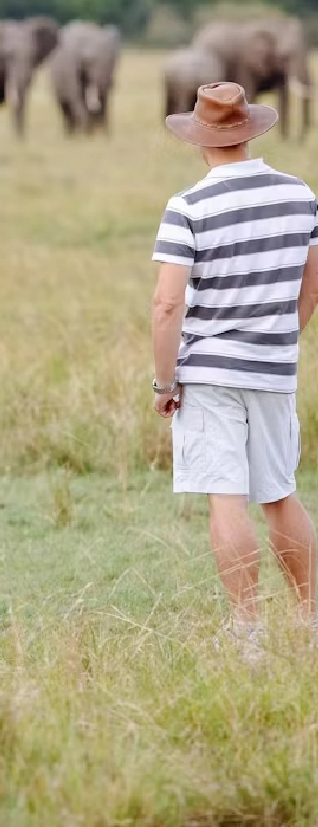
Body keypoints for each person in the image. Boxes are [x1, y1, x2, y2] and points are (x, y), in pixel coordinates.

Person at [152, 82, 318, 656]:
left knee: (226, 496)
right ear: (250, 132)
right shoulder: (301, 195)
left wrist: (165, 380)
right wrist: (277, 340)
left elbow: (167, 304)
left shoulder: (188, 205)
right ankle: (308, 620)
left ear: (201, 141)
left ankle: (246, 629)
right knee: (280, 491)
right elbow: (310, 285)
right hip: (274, 366)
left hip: (210, 369)